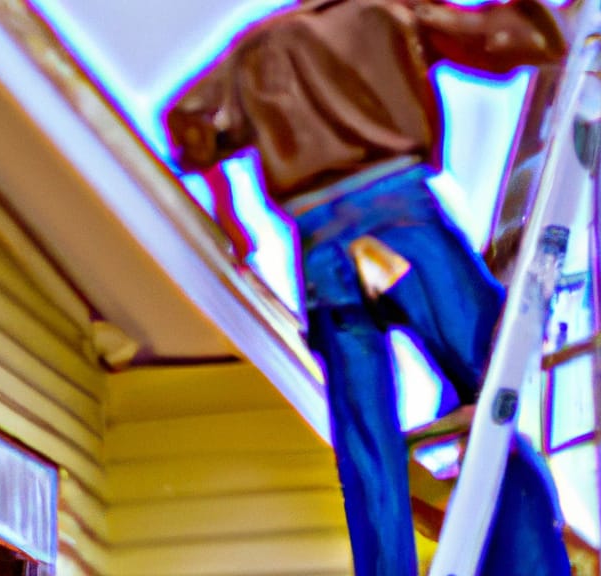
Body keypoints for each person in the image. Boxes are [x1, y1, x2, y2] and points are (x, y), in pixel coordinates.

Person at [165, 1, 573, 574]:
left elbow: (189, 122)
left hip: (325, 255)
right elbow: (504, 43)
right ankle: (525, 565)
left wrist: (226, 208)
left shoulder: (257, 47)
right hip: (395, 228)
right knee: (494, 384)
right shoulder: (386, 11)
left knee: (366, 440)